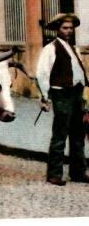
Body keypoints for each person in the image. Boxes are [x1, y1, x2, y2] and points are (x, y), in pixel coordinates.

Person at [36, 12, 89, 186]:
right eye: (65, 28)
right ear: (57, 30)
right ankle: (54, 174)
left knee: (78, 134)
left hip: (76, 95)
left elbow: (79, 72)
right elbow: (42, 74)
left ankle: (78, 171)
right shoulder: (50, 49)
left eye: (71, 28)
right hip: (61, 95)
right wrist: (45, 97)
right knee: (60, 134)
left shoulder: (74, 49)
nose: (69, 31)